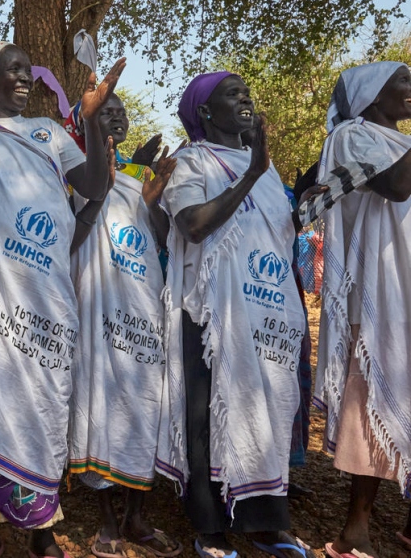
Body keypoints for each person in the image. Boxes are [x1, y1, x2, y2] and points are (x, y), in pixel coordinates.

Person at [0, 40, 123, 558]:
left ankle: (41, 530)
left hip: (45, 299)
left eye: (26, 72)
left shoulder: (46, 133)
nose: (23, 80)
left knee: (42, 406)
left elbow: (92, 185)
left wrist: (87, 121)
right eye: (10, 71)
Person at [157, 72, 314, 558]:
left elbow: (277, 238)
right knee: (208, 416)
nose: (246, 100)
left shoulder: (265, 171)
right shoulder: (191, 162)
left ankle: (266, 522)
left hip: (266, 313)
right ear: (205, 112)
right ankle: (209, 527)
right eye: (233, 94)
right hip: (211, 318)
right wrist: (249, 175)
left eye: (248, 93)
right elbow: (194, 225)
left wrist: (304, 201)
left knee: (268, 410)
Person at [66, 93, 181, 558]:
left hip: (143, 309)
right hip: (97, 310)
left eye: (121, 112)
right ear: (85, 123)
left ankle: (137, 516)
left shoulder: (143, 179)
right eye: (104, 112)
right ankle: (107, 520)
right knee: (99, 405)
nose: (116, 117)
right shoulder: (72, 170)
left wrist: (152, 203)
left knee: (144, 406)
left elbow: (164, 239)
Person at [314, 62, 411, 558]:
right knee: (371, 401)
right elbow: (396, 187)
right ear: (372, 94)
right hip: (382, 292)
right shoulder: (352, 136)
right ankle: (355, 534)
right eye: (403, 80)